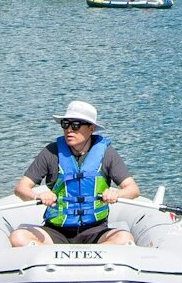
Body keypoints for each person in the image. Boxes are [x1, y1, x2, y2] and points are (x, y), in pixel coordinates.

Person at [9, 101, 141, 247]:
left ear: (91, 128)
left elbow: (133, 190)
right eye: (65, 124)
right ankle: (66, 255)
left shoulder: (107, 153)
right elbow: (21, 188)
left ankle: (84, 255)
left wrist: (117, 194)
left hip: (95, 231)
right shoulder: (50, 152)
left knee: (124, 238)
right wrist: (37, 196)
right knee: (18, 238)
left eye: (76, 125)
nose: (69, 130)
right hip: (55, 231)